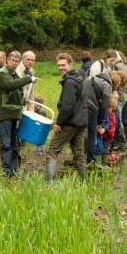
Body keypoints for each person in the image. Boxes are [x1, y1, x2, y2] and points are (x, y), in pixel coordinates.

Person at [46, 53, 90, 183]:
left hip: (70, 122)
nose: (60, 68)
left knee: (52, 150)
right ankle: (84, 182)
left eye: (63, 65)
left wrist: (59, 122)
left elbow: (67, 106)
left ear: (70, 65)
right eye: (59, 65)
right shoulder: (78, 78)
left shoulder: (70, 82)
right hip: (80, 122)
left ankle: (48, 183)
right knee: (78, 154)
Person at [0, 51, 37, 177]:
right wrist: (28, 79)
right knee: (6, 144)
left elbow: (14, 93)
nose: (14, 63)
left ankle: (14, 169)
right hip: (3, 115)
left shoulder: (13, 74)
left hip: (13, 114)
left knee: (14, 144)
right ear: (7, 60)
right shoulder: (1, 73)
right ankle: (8, 171)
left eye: (16, 61)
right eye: (12, 60)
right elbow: (9, 86)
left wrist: (23, 101)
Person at [85, 68, 112, 166]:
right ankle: (91, 162)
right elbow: (104, 105)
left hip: (78, 105)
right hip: (90, 106)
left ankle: (79, 159)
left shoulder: (90, 79)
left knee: (79, 133)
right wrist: (100, 122)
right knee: (92, 135)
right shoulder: (107, 85)